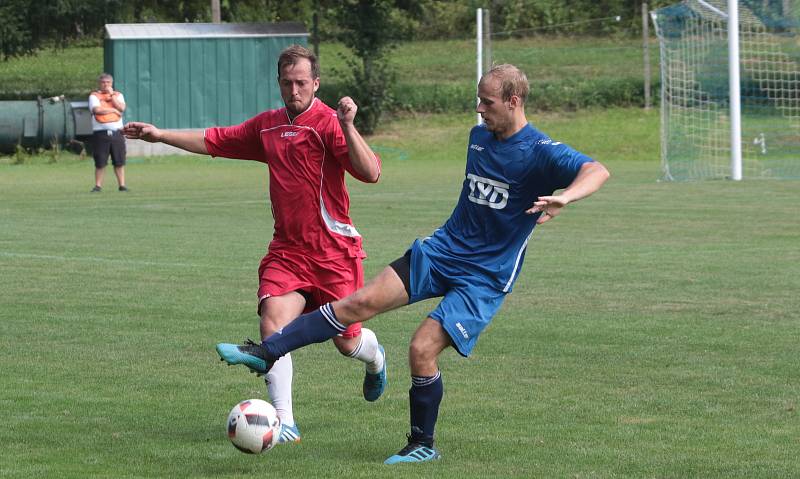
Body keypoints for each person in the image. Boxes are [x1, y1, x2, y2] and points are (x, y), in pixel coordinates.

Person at [216, 63, 611, 464]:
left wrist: (567, 196)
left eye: (487, 102)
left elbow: (596, 170)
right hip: (441, 252)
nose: (478, 108)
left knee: (421, 348)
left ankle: (422, 444)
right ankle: (267, 351)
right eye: (478, 99)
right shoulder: (479, 136)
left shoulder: (542, 152)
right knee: (359, 303)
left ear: (513, 101)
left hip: (484, 278)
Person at [123, 45, 387, 445]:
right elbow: (214, 139)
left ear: (316, 83)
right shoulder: (268, 127)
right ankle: (284, 422)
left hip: (334, 253)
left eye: (301, 82)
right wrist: (160, 135)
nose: (294, 90)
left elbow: (372, 173)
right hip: (288, 252)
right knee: (273, 323)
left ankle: (376, 358)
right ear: (279, 83)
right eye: (287, 82)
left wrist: (349, 126)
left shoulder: (329, 123)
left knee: (348, 342)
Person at [89, 73, 128, 192]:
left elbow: (121, 108)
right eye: (103, 82)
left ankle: (122, 185)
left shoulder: (118, 95)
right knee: (100, 161)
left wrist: (112, 96)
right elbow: (97, 110)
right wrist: (113, 110)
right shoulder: (94, 96)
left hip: (117, 132)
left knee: (119, 161)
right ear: (99, 84)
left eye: (108, 82)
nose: (105, 85)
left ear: (112, 84)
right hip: (100, 132)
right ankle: (98, 186)